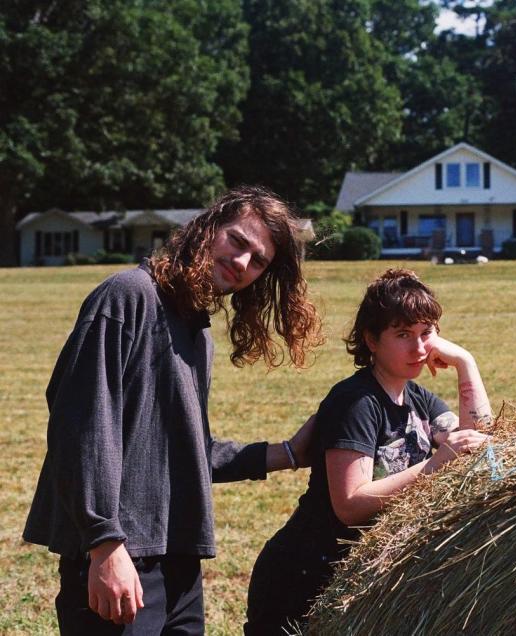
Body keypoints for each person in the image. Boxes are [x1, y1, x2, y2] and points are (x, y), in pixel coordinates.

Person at [23, 185, 323, 635]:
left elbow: (188, 450)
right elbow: (81, 430)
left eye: (257, 261)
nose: (242, 263)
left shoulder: (196, 332)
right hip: (120, 558)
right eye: (238, 241)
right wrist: (104, 544)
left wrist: (288, 452)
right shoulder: (127, 297)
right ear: (207, 227)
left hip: (179, 562)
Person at [245, 269, 492, 635]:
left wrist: (465, 364)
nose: (420, 348)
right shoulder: (356, 402)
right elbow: (350, 504)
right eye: (403, 334)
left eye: (427, 333)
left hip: (358, 583)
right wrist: (436, 464)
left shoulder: (417, 397)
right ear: (371, 340)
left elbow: (476, 441)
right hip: (305, 581)